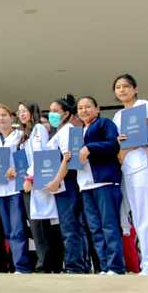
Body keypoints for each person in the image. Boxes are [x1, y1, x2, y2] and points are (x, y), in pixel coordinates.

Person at [111, 74, 148, 276]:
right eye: (118, 87)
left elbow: (146, 129)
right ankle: (147, 265)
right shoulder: (117, 116)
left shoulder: (143, 105)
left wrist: (128, 145)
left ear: (135, 88)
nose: (122, 90)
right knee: (138, 218)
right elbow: (118, 143)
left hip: (143, 165)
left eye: (126, 86)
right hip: (127, 169)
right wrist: (122, 147)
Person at [76, 96, 125, 275]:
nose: (84, 110)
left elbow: (113, 144)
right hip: (85, 184)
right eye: (80, 108)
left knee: (109, 225)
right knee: (95, 228)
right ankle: (104, 266)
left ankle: (116, 266)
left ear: (97, 109)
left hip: (104, 181)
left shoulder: (105, 123)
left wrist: (90, 148)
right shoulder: (78, 131)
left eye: (88, 107)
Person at [44, 95, 90, 274]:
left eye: (56, 111)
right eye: (50, 111)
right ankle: (81, 265)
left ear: (67, 114)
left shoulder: (68, 130)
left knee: (70, 226)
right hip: (63, 184)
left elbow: (68, 157)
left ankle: (74, 266)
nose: (52, 114)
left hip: (67, 183)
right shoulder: (59, 131)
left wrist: (56, 180)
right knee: (74, 226)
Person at [0, 104, 32, 274]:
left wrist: (17, 170)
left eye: (4, 115)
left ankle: (22, 267)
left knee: (18, 229)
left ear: (12, 118)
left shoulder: (21, 136)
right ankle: (14, 265)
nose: (1, 118)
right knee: (8, 231)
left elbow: (28, 160)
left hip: (15, 189)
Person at [19, 102, 63, 273]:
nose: (22, 114)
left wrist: (30, 177)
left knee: (48, 225)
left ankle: (50, 264)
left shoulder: (39, 129)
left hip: (41, 182)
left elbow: (41, 155)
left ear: (32, 112)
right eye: (20, 111)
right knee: (37, 225)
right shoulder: (25, 134)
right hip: (30, 184)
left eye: (25, 111)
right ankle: (45, 262)